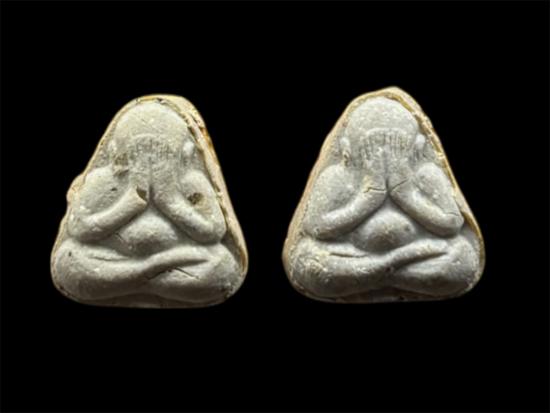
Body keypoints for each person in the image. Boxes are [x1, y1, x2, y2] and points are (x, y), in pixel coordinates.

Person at [290, 97, 479, 300]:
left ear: (417, 147)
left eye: (396, 146)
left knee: (463, 256)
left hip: (413, 254)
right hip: (357, 255)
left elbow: (452, 223)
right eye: (369, 148)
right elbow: (315, 226)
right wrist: (368, 199)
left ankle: (374, 274)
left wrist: (406, 195)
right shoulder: (338, 176)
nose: (383, 156)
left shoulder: (426, 174)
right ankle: (392, 271)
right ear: (347, 149)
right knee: (307, 258)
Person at [52, 102, 239, 306]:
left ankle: (131, 279)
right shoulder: (102, 180)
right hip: (115, 258)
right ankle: (150, 275)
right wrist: (129, 204)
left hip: (175, 260)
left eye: (163, 155)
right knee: (69, 260)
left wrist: (171, 202)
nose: (149, 165)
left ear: (185, 154)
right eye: (135, 154)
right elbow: (79, 228)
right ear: (115, 153)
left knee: (223, 264)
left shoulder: (192, 182)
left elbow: (214, 232)